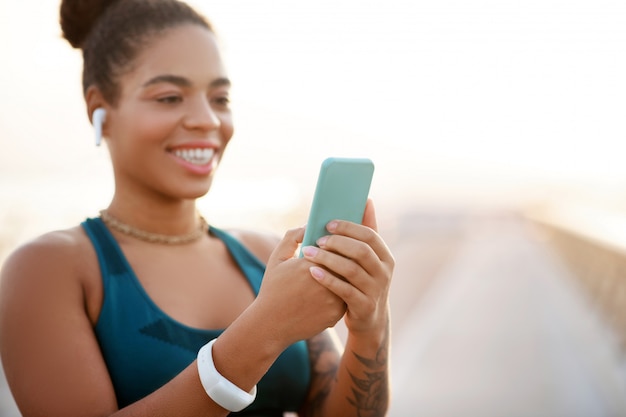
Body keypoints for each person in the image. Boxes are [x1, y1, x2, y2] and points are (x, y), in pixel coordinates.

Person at [0, 0, 394, 416]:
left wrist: (370, 328)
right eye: (170, 97)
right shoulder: (48, 270)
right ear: (100, 109)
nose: (207, 120)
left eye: (220, 98)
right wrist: (264, 328)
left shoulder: (265, 255)